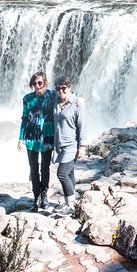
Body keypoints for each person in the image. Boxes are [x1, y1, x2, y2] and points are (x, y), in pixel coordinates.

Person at [17, 71, 56, 211]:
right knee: (34, 169)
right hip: (31, 137)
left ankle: (44, 195)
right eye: (34, 83)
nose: (37, 86)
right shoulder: (27, 99)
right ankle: (36, 197)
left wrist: (78, 100)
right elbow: (25, 119)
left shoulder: (52, 95)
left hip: (47, 136)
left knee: (45, 168)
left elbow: (67, 93)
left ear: (45, 82)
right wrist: (20, 139)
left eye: (39, 82)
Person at [53, 75, 86, 216]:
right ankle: (73, 198)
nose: (61, 91)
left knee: (62, 174)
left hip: (71, 146)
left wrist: (82, 146)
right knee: (70, 172)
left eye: (63, 88)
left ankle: (69, 205)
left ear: (70, 88)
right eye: (58, 88)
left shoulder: (77, 104)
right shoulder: (55, 100)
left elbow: (82, 126)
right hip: (60, 145)